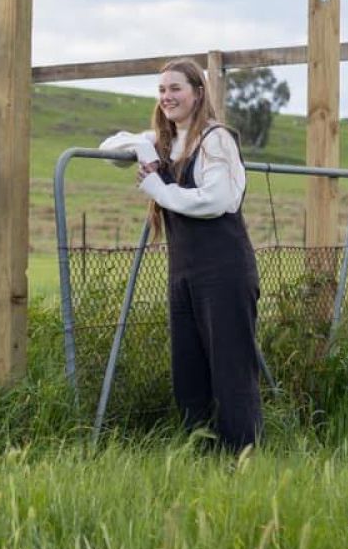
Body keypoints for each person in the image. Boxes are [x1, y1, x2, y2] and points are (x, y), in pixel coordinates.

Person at [100, 58, 262, 451]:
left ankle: (242, 458)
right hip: (184, 272)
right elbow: (107, 148)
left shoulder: (215, 139)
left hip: (223, 270)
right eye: (161, 90)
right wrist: (141, 146)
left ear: (198, 93)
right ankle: (201, 453)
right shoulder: (165, 141)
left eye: (176, 88)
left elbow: (217, 200)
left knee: (231, 369)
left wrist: (157, 188)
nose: (167, 96)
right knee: (188, 370)